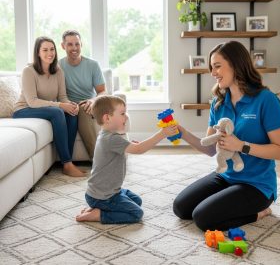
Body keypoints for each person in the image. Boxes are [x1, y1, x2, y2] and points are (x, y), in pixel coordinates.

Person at [173, 41, 280, 231]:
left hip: (257, 185)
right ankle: (229, 199)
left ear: (236, 64)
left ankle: (260, 212)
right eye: (211, 67)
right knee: (181, 208)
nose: (213, 73)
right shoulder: (219, 103)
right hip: (226, 176)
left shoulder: (266, 100)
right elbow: (211, 149)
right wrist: (183, 132)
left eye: (217, 66)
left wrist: (241, 146)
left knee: (203, 218)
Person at [75, 95, 177, 224]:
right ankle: (98, 214)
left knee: (137, 201)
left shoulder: (109, 134)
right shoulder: (111, 139)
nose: (126, 116)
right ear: (107, 118)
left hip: (107, 191)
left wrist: (130, 143)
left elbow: (126, 148)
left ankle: (98, 208)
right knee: (136, 213)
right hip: (103, 197)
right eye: (122, 113)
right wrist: (162, 134)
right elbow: (139, 149)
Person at [13, 36, 85, 177]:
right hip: (23, 110)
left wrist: (71, 105)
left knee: (71, 113)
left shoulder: (58, 71)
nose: (49, 53)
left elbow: (63, 97)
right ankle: (67, 163)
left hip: (46, 109)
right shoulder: (29, 71)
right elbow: (32, 101)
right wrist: (60, 105)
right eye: (45, 50)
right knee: (58, 112)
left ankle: (67, 162)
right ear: (38, 52)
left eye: (52, 49)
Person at [59, 30, 105, 160]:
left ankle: (98, 160)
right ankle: (95, 161)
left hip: (87, 103)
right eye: (70, 44)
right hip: (68, 105)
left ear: (81, 45)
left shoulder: (92, 65)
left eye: (77, 44)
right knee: (76, 111)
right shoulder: (57, 66)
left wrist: (93, 100)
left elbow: (102, 91)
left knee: (85, 109)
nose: (74, 48)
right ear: (63, 46)